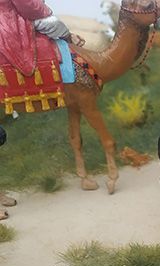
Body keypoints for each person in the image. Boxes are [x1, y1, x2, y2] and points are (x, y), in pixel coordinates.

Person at [0, 0, 84, 219]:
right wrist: (45, 9)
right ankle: (72, 45)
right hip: (9, 24)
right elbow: (28, 6)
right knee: (54, 23)